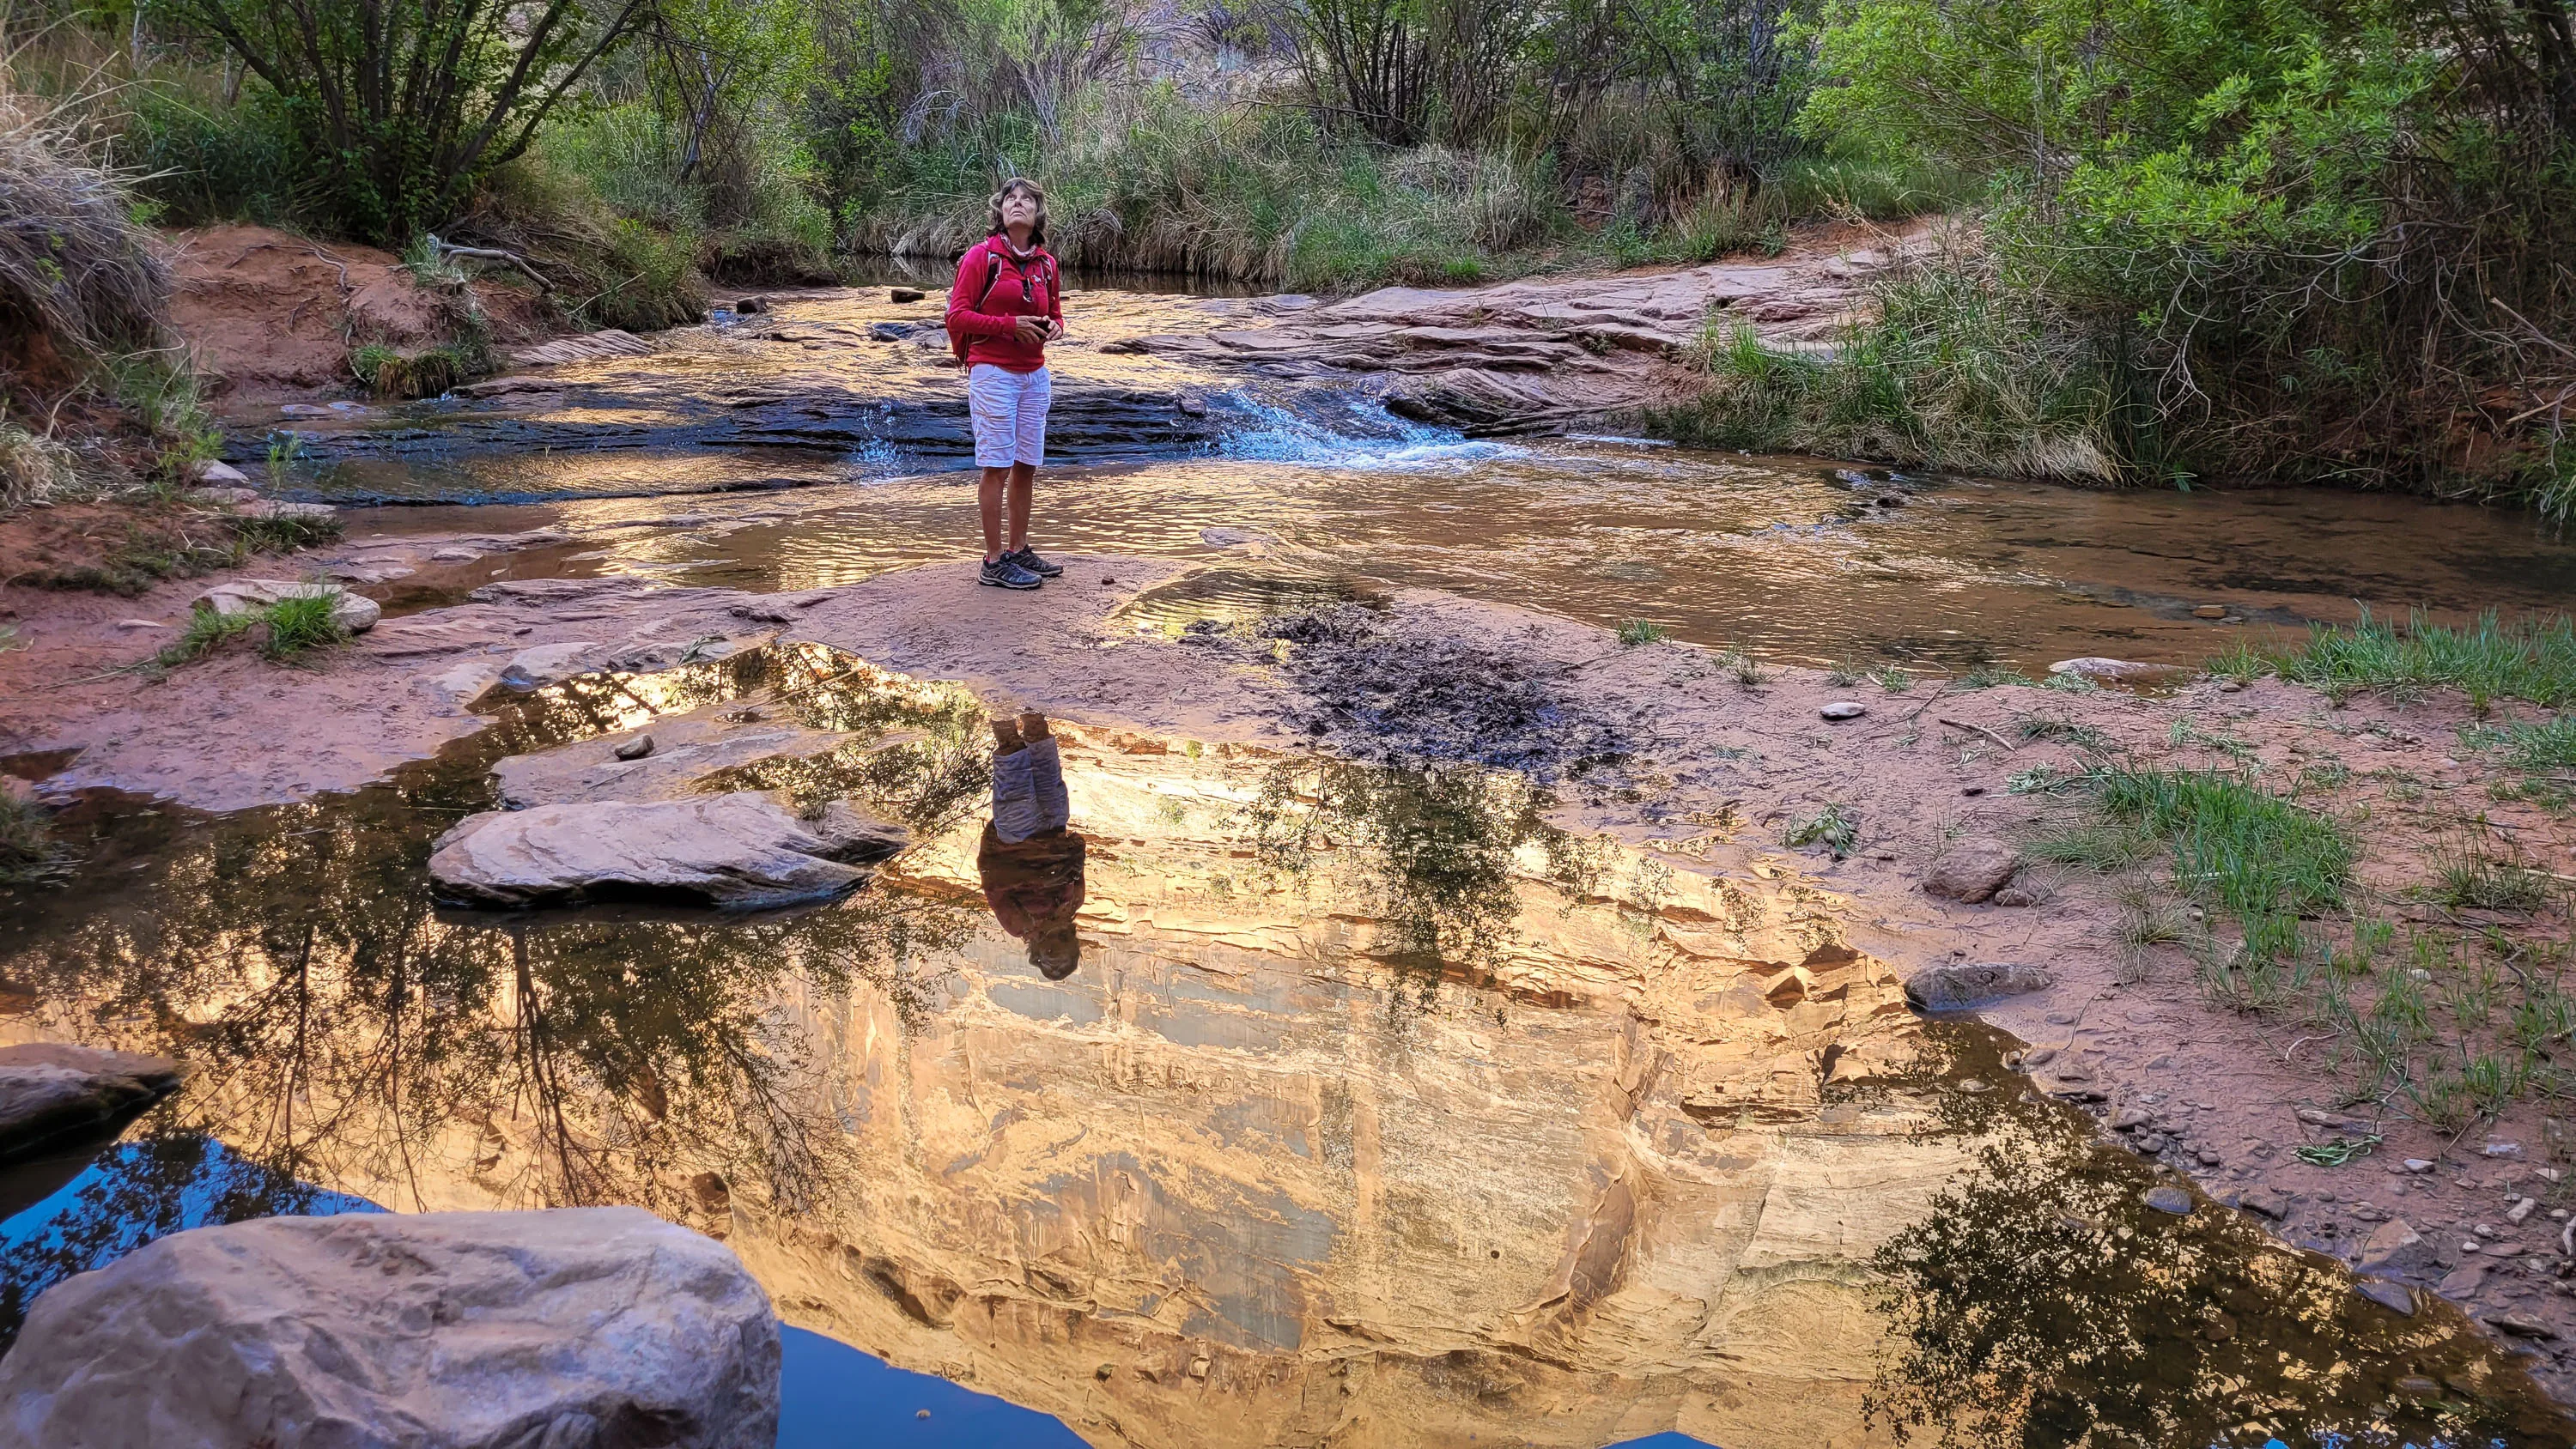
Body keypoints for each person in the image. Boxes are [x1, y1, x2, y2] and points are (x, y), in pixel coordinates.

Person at [945, 178, 1066, 591]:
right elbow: (956, 316)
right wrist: (1008, 326)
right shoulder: (981, 258)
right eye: (1010, 199)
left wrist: (1056, 326)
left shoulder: (1046, 264)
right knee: (996, 465)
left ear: (1037, 213)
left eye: (1027, 199)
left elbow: (1055, 312)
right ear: (1000, 211)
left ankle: (1018, 549)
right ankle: (993, 561)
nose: (1018, 204)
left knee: (1027, 464)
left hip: (1034, 374)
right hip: (993, 372)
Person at [980, 712, 1086, 979]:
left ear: (1037, 948)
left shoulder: (1018, 924)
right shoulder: (1074, 903)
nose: (1058, 934)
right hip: (1054, 826)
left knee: (1011, 753)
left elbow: (993, 881)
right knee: (1042, 751)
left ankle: (998, 698)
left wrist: (1039, 876)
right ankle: (1030, 697)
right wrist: (1074, 854)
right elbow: (1077, 857)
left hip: (1016, 836)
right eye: (1065, 939)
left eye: (1052, 945)